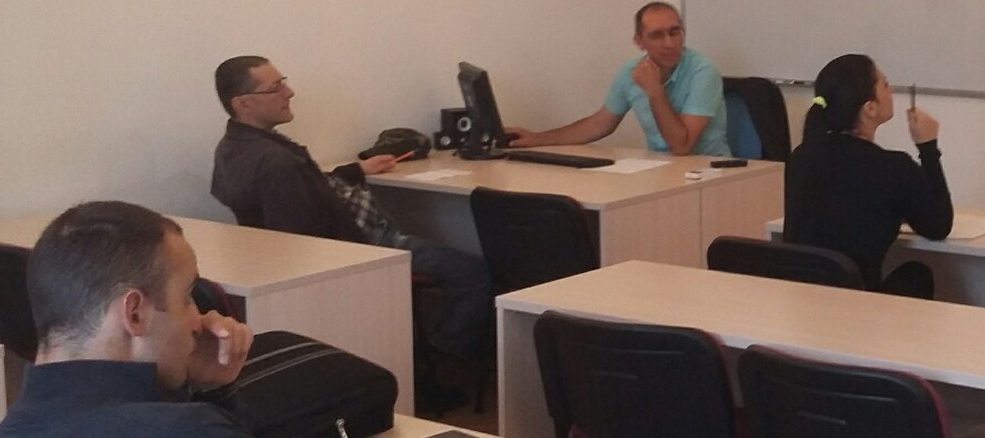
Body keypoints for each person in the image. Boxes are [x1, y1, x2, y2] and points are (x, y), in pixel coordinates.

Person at [211, 56, 492, 368]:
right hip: (365, 248)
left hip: (348, 239)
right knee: (473, 273)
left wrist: (356, 170)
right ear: (244, 103)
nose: (289, 92)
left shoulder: (234, 147)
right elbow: (304, 241)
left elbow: (308, 189)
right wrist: (372, 254)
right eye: (276, 87)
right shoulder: (276, 163)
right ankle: (444, 362)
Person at [0, 201, 260, 438]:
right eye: (187, 297)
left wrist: (206, 389)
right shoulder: (191, 434)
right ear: (135, 313)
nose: (199, 321)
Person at [784, 54, 953, 299]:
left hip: (801, 305)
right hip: (859, 309)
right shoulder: (893, 167)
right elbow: (939, 226)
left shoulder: (802, 157)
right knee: (918, 274)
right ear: (870, 108)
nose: (891, 90)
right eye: (885, 84)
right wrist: (928, 148)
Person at [506, 2, 730, 157]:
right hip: (663, 168)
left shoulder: (703, 71)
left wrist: (655, 90)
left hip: (709, 170)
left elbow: (682, 147)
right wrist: (537, 139)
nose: (669, 43)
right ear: (639, 42)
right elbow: (599, 124)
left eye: (675, 32)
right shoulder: (632, 71)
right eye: (657, 35)